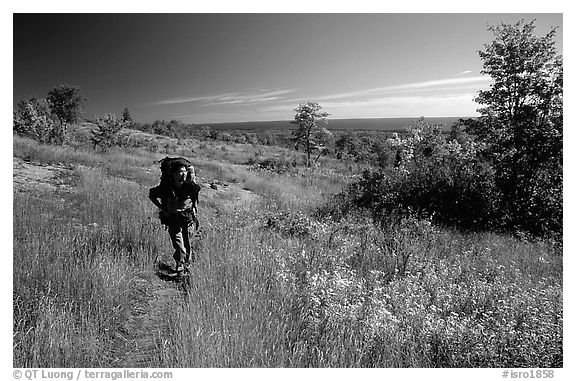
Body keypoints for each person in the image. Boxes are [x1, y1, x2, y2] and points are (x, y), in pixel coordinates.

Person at [148, 158, 201, 272]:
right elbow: (152, 195)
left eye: (185, 172)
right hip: (172, 218)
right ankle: (180, 264)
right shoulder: (166, 188)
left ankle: (186, 264)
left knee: (187, 242)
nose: (183, 174)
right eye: (180, 172)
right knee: (178, 243)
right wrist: (162, 207)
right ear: (173, 174)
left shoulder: (190, 186)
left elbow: (195, 196)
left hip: (187, 217)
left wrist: (195, 208)